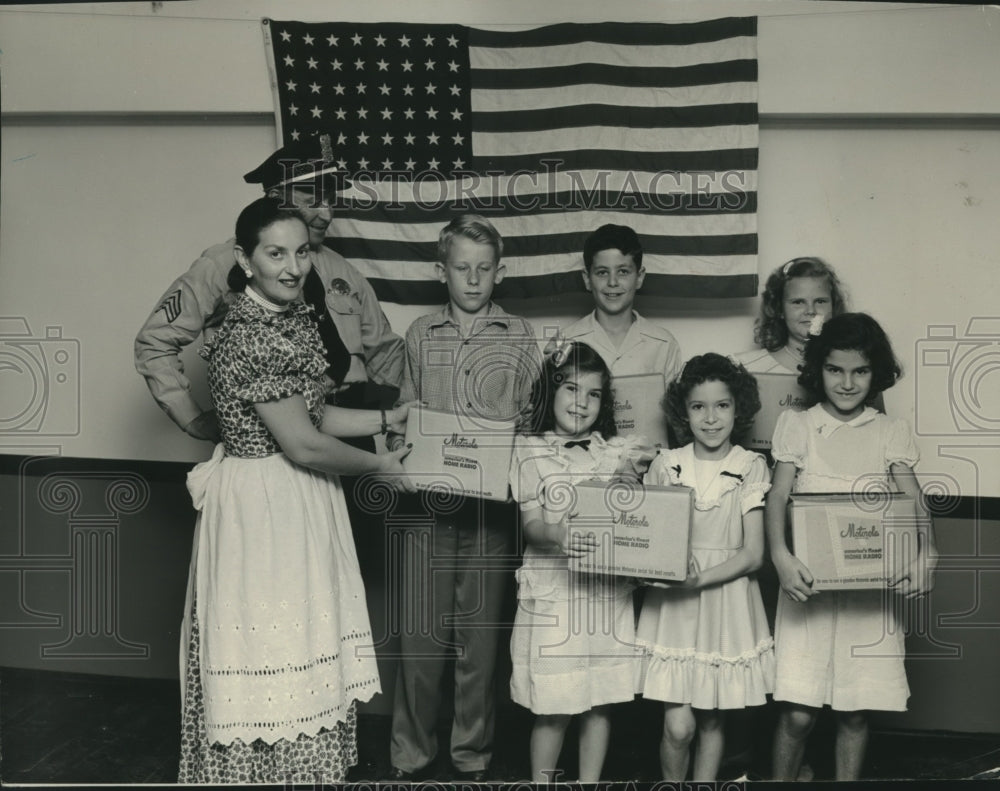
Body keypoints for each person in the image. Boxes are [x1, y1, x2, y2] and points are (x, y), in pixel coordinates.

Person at [177, 198, 415, 784]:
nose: (292, 267)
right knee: (272, 650)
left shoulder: (289, 317)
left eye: (301, 251)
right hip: (265, 508)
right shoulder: (252, 334)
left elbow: (313, 415)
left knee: (305, 642)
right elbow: (304, 445)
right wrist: (381, 467)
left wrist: (391, 418)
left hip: (296, 498)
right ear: (244, 259)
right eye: (275, 253)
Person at [385, 214, 543, 781]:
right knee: (421, 639)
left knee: (479, 640)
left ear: (500, 273)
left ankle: (471, 754)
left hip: (491, 509)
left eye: (484, 269)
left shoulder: (520, 335)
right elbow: (405, 415)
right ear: (440, 270)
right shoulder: (421, 333)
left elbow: (528, 420)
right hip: (428, 506)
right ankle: (412, 752)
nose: (472, 280)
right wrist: (405, 448)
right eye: (461, 268)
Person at [134, 135, 404, 443]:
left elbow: (386, 354)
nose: (327, 214)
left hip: (353, 428)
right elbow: (155, 340)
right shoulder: (226, 264)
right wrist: (191, 417)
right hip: (275, 437)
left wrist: (408, 416)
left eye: (330, 199)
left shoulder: (344, 271)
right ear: (276, 197)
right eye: (312, 198)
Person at [765, 313, 937, 781]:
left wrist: (928, 555)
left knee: (856, 712)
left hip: (870, 597)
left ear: (875, 372)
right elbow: (778, 495)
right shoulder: (798, 425)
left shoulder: (888, 432)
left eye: (859, 371)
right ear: (818, 369)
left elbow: (914, 499)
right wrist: (781, 557)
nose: (847, 382)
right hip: (808, 588)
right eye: (835, 370)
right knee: (799, 713)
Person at [509, 340, 646, 782]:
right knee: (554, 706)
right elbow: (530, 525)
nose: (581, 403)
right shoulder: (530, 451)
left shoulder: (617, 454)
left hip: (604, 595)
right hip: (557, 592)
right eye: (570, 390)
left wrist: (631, 487)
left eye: (593, 394)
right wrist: (558, 535)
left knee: (599, 701)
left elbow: (634, 520)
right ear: (550, 393)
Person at [635, 353, 775, 781]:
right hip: (674, 607)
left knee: (714, 720)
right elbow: (647, 540)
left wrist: (699, 579)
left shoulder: (751, 466)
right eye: (699, 407)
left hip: (725, 601)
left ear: (739, 408)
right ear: (684, 412)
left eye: (722, 406)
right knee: (679, 727)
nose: (711, 418)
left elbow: (753, 555)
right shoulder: (667, 464)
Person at [561, 223, 682, 393]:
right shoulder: (566, 342)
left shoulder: (664, 344)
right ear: (587, 279)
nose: (612, 282)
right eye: (602, 272)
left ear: (639, 277)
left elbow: (676, 415)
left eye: (623, 271)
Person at [734, 257, 846, 375]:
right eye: (798, 302)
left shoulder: (851, 369)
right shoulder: (746, 368)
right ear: (779, 309)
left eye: (820, 301)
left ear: (834, 306)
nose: (811, 311)